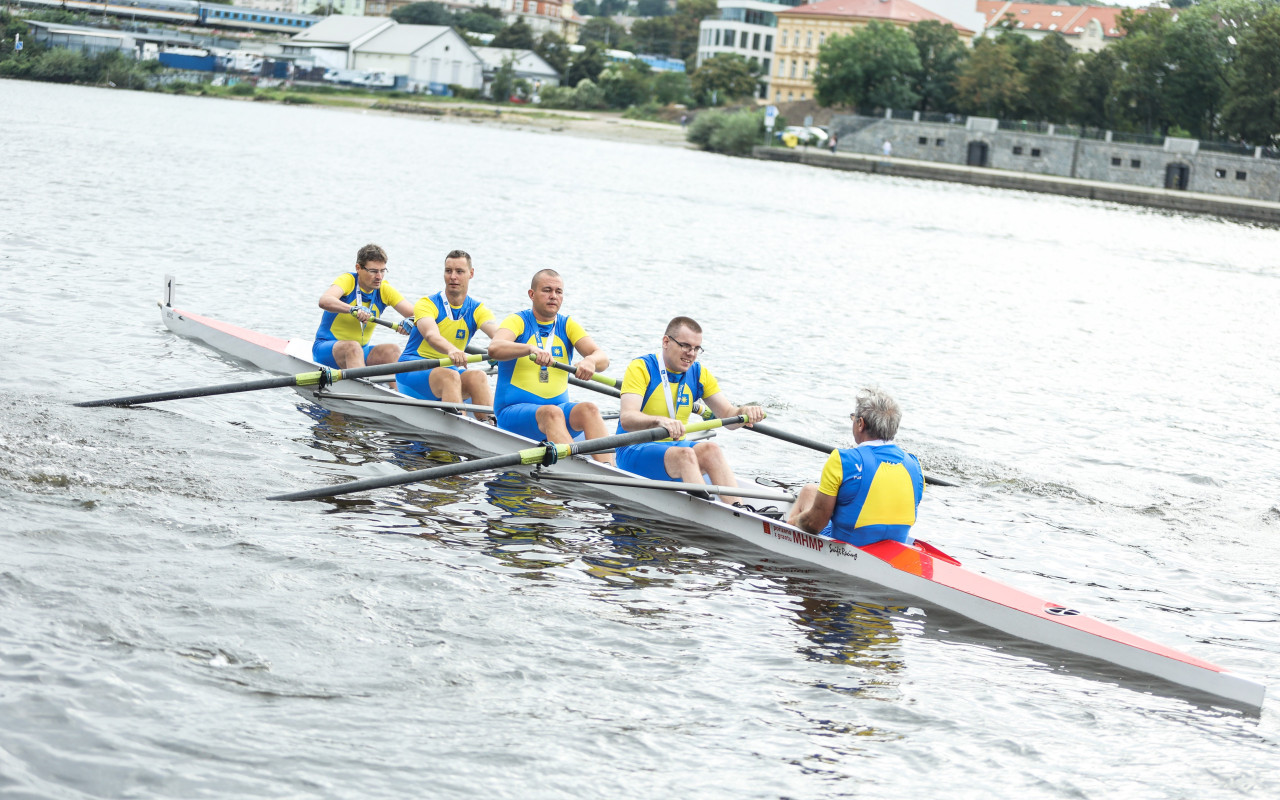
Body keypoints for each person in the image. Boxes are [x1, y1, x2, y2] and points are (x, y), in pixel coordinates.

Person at [615, 316, 766, 509]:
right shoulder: (641, 368)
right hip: (632, 448)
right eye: (685, 345)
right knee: (686, 455)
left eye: (696, 348)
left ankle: (739, 509)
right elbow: (627, 418)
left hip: (675, 448)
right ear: (666, 342)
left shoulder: (698, 373)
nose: (691, 354)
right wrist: (659, 421)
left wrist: (744, 411)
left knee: (711, 450)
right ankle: (712, 512)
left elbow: (729, 416)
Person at [487, 269, 613, 463]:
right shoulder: (518, 321)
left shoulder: (567, 325)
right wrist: (529, 349)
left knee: (590, 409)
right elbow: (494, 349)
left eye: (558, 291)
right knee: (551, 412)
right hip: (512, 413)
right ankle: (580, 471)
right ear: (532, 294)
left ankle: (609, 470)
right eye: (547, 290)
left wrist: (590, 361)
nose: (553, 296)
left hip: (555, 412)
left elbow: (603, 359)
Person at [788, 387, 924, 546]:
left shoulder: (842, 460)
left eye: (853, 418)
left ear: (860, 424)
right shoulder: (914, 465)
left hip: (848, 547)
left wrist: (793, 522)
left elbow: (815, 524)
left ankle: (783, 536)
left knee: (805, 499)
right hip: (894, 545)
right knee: (810, 490)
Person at [397, 250, 500, 421]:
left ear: (471, 274)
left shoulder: (477, 309)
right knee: (450, 376)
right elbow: (431, 335)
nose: (453, 277)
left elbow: (498, 334)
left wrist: (505, 348)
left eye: (459, 272)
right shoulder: (427, 304)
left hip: (448, 371)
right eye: (448, 271)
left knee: (478, 376)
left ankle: (490, 424)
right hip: (412, 369)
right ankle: (462, 425)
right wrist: (452, 350)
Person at [313, 243, 416, 370]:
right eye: (373, 271)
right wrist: (352, 309)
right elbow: (324, 300)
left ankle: (393, 390)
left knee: (393, 350)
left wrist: (411, 321)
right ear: (358, 268)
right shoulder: (348, 281)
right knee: (353, 347)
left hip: (361, 352)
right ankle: (363, 386)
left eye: (383, 271)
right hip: (326, 349)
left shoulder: (384, 289)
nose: (379, 277)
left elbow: (418, 315)